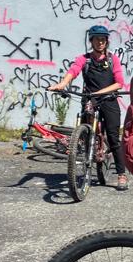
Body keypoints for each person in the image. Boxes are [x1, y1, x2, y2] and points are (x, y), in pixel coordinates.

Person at [48, 25, 128, 189]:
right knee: (85, 128)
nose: (100, 42)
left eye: (103, 39)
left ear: (107, 41)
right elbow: (73, 71)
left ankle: (121, 175)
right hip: (90, 99)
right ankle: (87, 141)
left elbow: (119, 83)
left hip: (109, 99)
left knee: (113, 138)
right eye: (97, 39)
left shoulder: (113, 59)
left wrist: (98, 93)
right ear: (91, 40)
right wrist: (62, 84)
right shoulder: (84, 59)